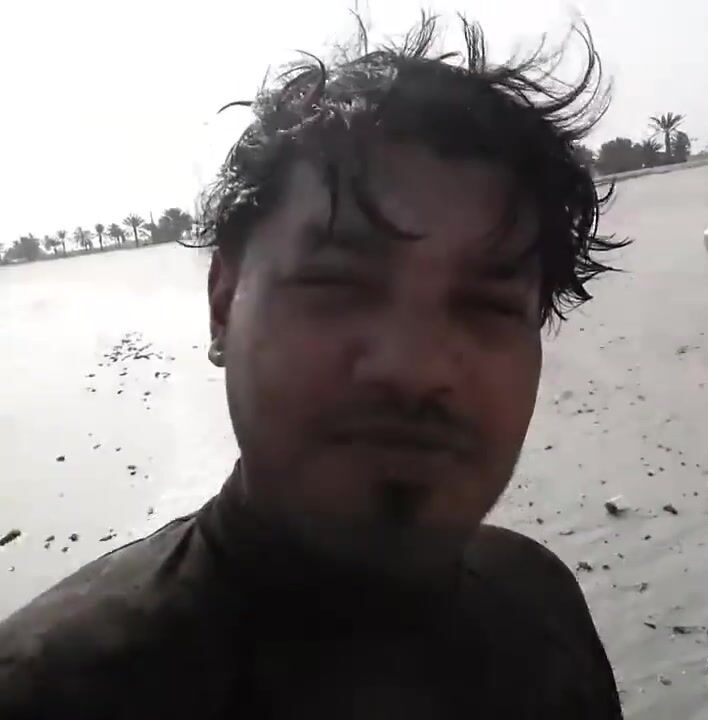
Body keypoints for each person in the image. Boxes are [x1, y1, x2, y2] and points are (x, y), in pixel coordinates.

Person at [0, 15, 627, 719]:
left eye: (485, 304)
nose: (414, 367)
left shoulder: (542, 606)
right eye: (337, 284)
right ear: (222, 304)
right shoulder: (48, 692)